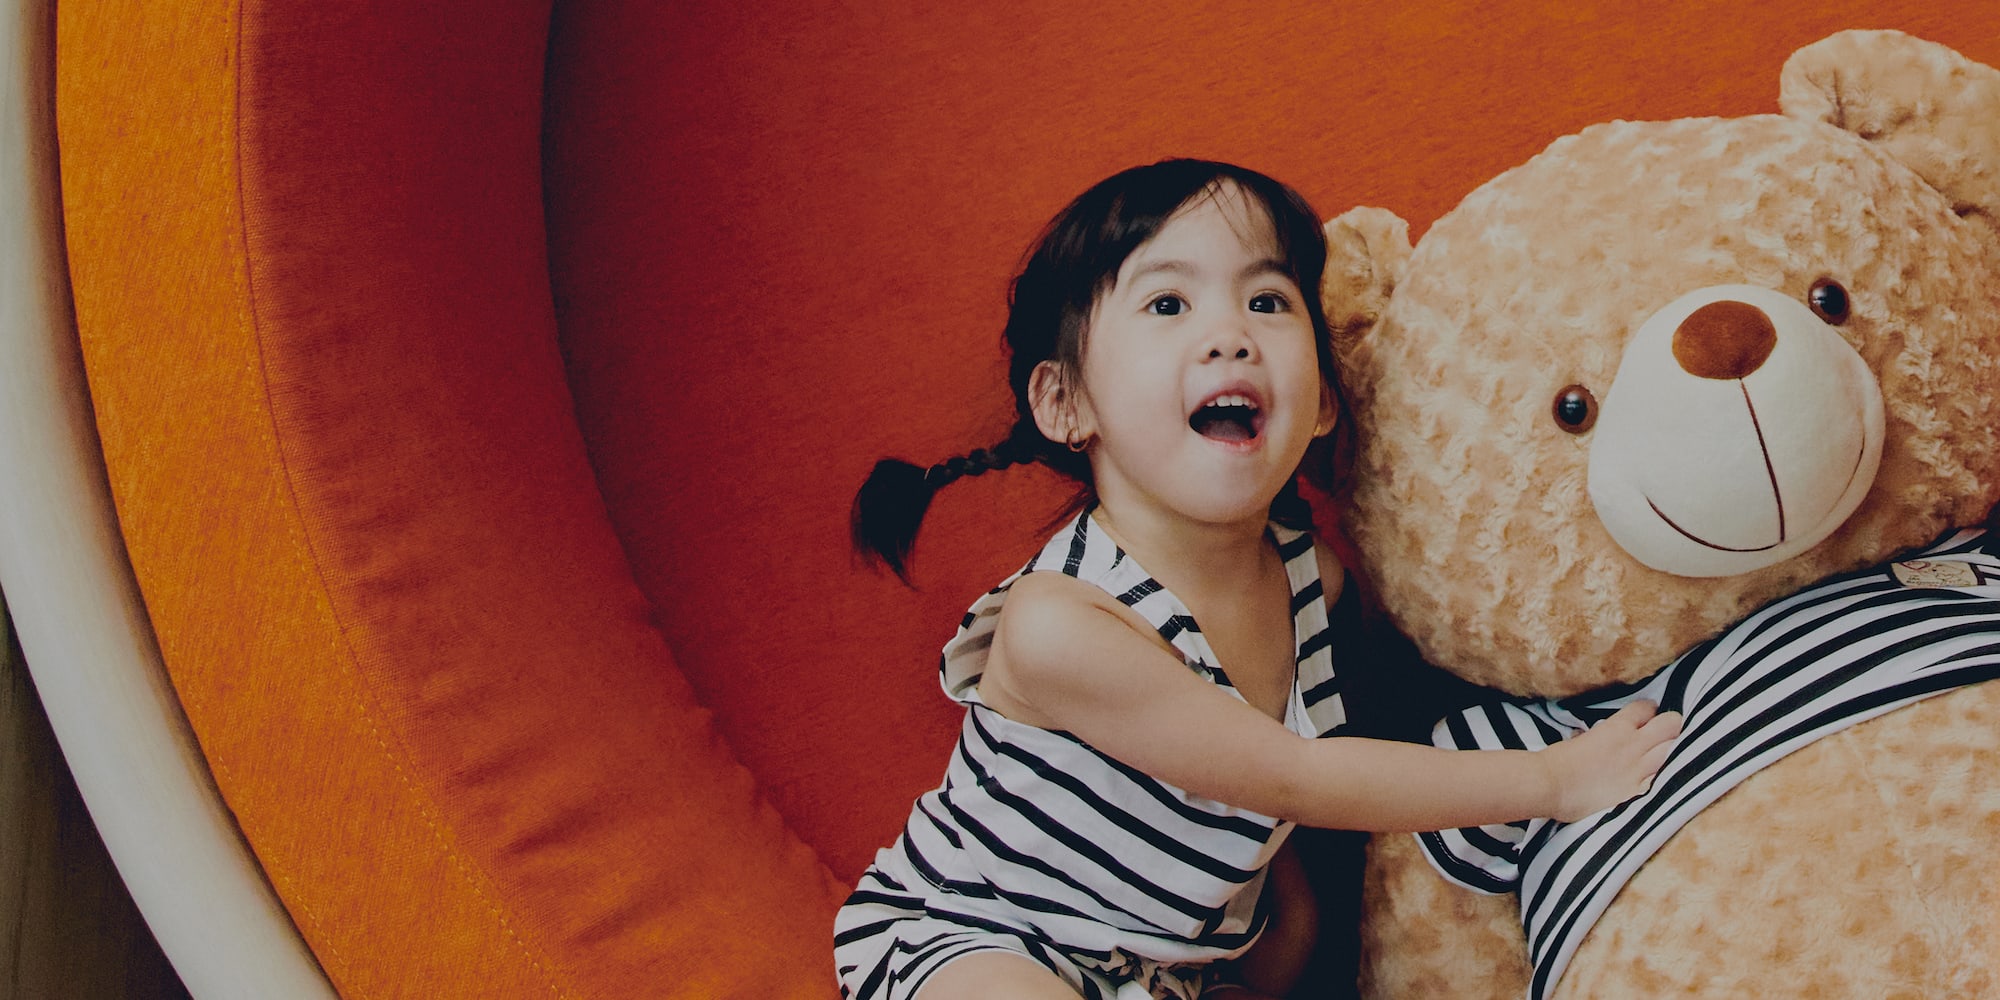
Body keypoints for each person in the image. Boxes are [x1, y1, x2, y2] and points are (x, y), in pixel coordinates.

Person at [834, 159, 1681, 1000]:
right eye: (1168, 304)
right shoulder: (1062, 623)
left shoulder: (1311, 582)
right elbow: (1295, 778)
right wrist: (1554, 779)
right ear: (1066, 404)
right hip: (974, 933)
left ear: (1322, 403)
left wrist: (1283, 937)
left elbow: (1277, 801)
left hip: (1161, 973)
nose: (1230, 334)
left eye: (1268, 302)